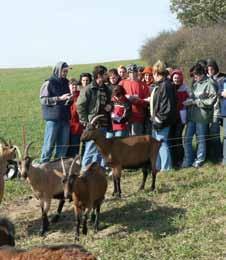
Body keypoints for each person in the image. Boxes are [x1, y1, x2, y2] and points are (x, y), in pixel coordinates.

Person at [77, 65, 112, 170]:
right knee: (91, 149)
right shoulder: (88, 89)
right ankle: (84, 172)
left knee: (102, 150)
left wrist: (111, 106)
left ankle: (99, 173)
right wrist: (85, 121)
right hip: (93, 125)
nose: (107, 76)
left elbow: (110, 102)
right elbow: (80, 105)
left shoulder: (107, 89)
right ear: (99, 75)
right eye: (105, 74)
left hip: (104, 124)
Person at [182, 63, 217, 168]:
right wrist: (190, 101)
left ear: (201, 74)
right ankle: (188, 159)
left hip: (202, 117)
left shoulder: (209, 83)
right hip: (192, 116)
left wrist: (196, 102)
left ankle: (199, 160)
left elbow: (212, 100)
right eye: (193, 76)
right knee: (187, 138)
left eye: (196, 76)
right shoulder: (196, 83)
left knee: (201, 140)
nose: (194, 78)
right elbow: (194, 97)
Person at [40, 61, 72, 163]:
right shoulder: (48, 83)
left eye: (67, 71)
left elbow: (66, 99)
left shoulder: (67, 83)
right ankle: (43, 168)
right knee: (48, 146)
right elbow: (43, 100)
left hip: (65, 118)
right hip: (53, 120)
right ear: (58, 70)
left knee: (63, 147)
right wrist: (59, 98)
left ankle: (57, 169)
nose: (66, 73)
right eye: (64, 71)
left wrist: (69, 99)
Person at [150, 60, 176, 171]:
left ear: (156, 73)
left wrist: (158, 120)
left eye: (153, 73)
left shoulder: (165, 85)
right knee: (157, 144)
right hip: (157, 120)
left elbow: (167, 106)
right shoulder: (160, 85)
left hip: (162, 121)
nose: (153, 76)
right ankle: (158, 167)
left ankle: (166, 168)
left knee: (162, 143)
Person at [119, 64, 149, 136]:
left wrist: (137, 100)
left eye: (134, 72)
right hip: (125, 115)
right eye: (130, 72)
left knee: (136, 138)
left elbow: (147, 101)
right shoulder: (122, 83)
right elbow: (116, 97)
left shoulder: (143, 85)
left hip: (138, 115)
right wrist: (126, 97)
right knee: (125, 138)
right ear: (128, 73)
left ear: (137, 72)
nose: (132, 74)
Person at [169, 69, 189, 168]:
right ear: (172, 78)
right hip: (172, 117)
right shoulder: (170, 87)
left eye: (178, 78)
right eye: (175, 78)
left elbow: (189, 98)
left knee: (178, 138)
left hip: (181, 117)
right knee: (171, 138)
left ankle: (180, 159)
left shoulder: (185, 88)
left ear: (181, 78)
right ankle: (173, 159)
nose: (176, 79)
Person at [206, 58, 225, 163]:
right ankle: (213, 155)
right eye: (208, 69)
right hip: (209, 110)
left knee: (217, 133)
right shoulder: (205, 79)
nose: (210, 71)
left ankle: (219, 155)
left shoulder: (222, 78)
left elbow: (221, 92)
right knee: (211, 134)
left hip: (221, 109)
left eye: (212, 68)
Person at [67, 78, 84, 157]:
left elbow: (76, 112)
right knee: (66, 148)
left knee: (74, 148)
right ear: (69, 86)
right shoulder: (66, 96)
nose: (74, 86)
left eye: (75, 85)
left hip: (76, 127)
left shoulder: (79, 96)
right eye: (72, 85)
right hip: (66, 127)